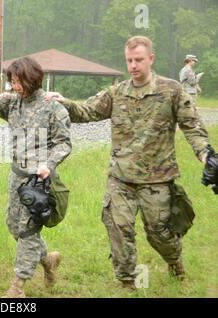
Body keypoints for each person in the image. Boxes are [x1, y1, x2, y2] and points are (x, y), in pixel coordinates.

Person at [47, 36, 209, 289]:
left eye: (139, 60)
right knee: (118, 228)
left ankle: (174, 260)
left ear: (151, 59)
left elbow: (192, 126)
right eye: (129, 60)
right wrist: (63, 102)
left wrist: (205, 154)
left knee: (159, 234)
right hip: (120, 177)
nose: (133, 66)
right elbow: (87, 112)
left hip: (157, 179)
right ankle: (127, 283)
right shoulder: (117, 92)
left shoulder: (171, 91)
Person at [0, 57, 71, 297]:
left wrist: (48, 165)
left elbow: (64, 143)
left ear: (33, 78)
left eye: (19, 81)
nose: (16, 86)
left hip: (40, 183)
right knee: (15, 227)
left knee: (28, 231)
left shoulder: (53, 107)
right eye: (13, 82)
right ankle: (48, 261)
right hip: (16, 178)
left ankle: (17, 287)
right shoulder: (13, 103)